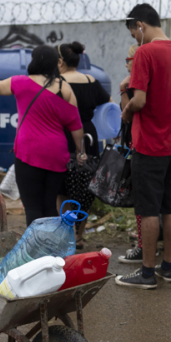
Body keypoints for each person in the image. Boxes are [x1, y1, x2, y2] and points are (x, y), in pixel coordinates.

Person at [115, 3, 171, 289]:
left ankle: (147, 273)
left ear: (141, 25)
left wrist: (126, 108)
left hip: (149, 143)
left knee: (148, 209)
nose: (136, 39)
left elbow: (141, 100)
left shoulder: (146, 52)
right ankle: (167, 267)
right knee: (170, 206)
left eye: (135, 33)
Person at [0, 45, 85, 226]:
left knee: (32, 207)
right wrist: (80, 152)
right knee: (49, 205)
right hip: (56, 154)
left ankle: (36, 251)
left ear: (35, 60)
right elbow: (76, 126)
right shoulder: (64, 88)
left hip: (29, 152)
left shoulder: (21, 82)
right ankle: (51, 249)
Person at [56, 41, 113, 248]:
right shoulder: (91, 80)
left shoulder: (58, 82)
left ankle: (65, 234)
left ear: (61, 61)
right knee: (85, 186)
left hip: (63, 135)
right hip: (88, 135)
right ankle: (79, 236)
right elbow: (109, 105)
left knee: (62, 189)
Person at [118, 43, 147, 264]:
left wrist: (122, 90)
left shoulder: (132, 85)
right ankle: (148, 243)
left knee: (141, 199)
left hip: (138, 145)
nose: (127, 66)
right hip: (139, 143)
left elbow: (126, 115)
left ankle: (143, 246)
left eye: (129, 62)